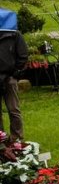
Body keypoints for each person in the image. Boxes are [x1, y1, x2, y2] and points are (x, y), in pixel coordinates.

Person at [0, 8, 29, 141]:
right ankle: (1, 139)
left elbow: (22, 55)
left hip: (10, 77)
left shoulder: (14, 35)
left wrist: (15, 73)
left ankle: (17, 138)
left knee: (13, 109)